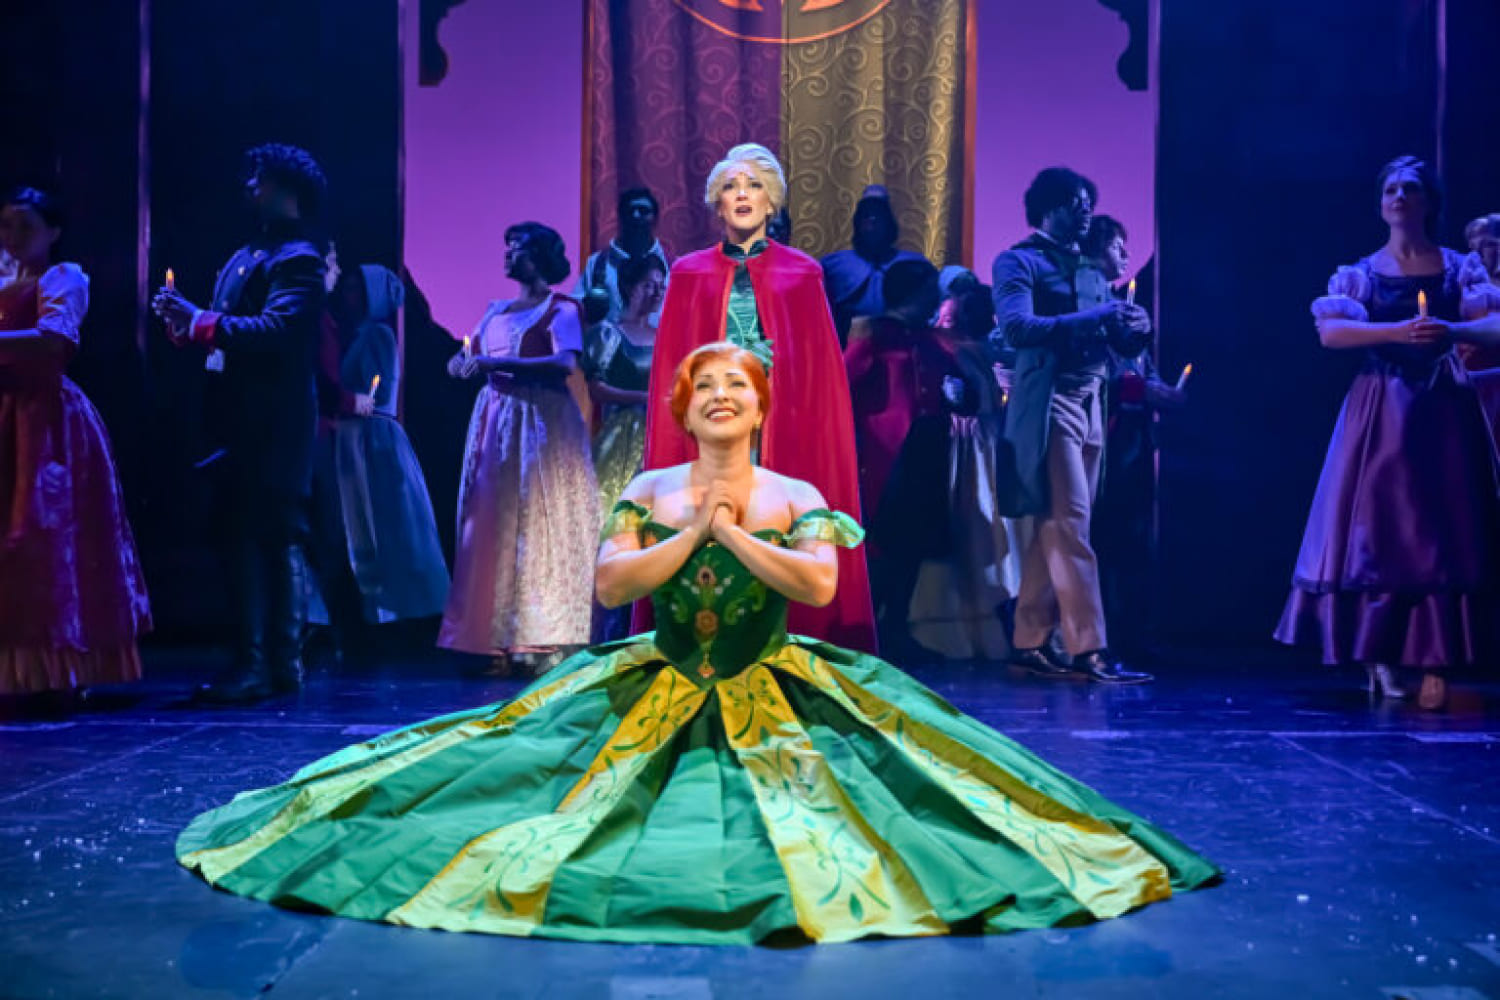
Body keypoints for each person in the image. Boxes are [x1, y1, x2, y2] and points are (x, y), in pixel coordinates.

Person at [177, 342, 1218, 945]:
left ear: (762, 404)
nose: (723, 396)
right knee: (517, 787)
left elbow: (816, 581)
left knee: (909, 802)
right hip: (660, 674)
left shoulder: (797, 493)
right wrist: (690, 530)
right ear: (684, 407)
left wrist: (734, 532)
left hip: (773, 680)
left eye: (740, 386)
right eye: (706, 387)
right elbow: (611, 583)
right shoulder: (646, 488)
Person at [1275, 156, 1500, 710]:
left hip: (1443, 404)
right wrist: (1397, 329)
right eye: (1392, 188)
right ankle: (1376, 654)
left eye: (1412, 188)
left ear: (1429, 202)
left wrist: (1454, 328)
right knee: (1377, 527)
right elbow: (1331, 333)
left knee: (1440, 526)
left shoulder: (1457, 267)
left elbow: (1494, 325)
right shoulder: (1362, 271)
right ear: (1381, 203)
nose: (1400, 195)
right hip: (1383, 405)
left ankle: (1430, 651)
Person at [642, 143, 874, 650]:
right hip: (710, 420)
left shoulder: (801, 274)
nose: (742, 194)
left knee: (769, 514)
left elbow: (817, 374)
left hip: (778, 422)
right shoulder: (690, 273)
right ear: (716, 204)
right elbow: (675, 367)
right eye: (730, 187)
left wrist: (778, 373)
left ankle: (784, 636)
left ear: (773, 203)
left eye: (754, 186)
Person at [153, 144, 327, 703]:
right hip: (237, 420)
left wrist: (203, 321)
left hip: (273, 424)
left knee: (274, 537)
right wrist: (188, 328)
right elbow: (229, 333)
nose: (249, 188)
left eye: (258, 180)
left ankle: (275, 663)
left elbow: (277, 331)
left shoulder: (299, 257)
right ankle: (259, 661)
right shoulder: (248, 254)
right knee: (242, 539)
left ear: (285, 187)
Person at [992, 168, 1154, 685]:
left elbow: (1111, 337)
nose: (1087, 211)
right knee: (1071, 523)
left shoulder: (1088, 266)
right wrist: (1095, 318)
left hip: (1091, 397)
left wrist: (1135, 331)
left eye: (1089, 202)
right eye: (1075, 203)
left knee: (1055, 527)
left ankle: (1028, 641)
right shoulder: (1019, 261)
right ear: (1048, 208)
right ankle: (1090, 649)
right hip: (1049, 398)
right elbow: (1018, 328)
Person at [0, 187, 151, 706]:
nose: (12, 235)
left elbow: (54, 342)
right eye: (6, 225)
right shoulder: (3, 276)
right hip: (5, 414)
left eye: (24, 225)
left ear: (53, 231)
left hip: (45, 424)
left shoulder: (62, 278)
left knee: (44, 542)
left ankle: (54, 670)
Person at [437, 222, 598, 672]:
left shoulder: (561, 309)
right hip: (497, 420)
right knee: (492, 521)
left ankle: (538, 633)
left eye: (519, 249)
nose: (508, 255)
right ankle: (489, 635)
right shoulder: (495, 310)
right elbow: (470, 352)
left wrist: (498, 362)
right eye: (506, 247)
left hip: (541, 420)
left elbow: (564, 362)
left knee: (539, 517)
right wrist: (463, 362)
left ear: (540, 256)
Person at [311, 262, 449, 647]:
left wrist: (351, 402)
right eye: (348, 287)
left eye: (358, 289)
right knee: (361, 524)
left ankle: (389, 618)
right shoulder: (356, 333)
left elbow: (373, 393)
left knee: (381, 524)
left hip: (370, 438)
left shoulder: (377, 335)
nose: (348, 295)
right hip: (354, 435)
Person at [844, 258, 970, 657]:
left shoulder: (932, 340)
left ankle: (895, 625)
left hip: (928, 446)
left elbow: (961, 387)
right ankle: (868, 630)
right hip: (884, 450)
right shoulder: (874, 334)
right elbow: (844, 383)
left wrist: (963, 395)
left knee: (914, 540)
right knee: (883, 538)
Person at [1081, 215, 1185, 661]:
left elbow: (1139, 368)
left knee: (1133, 539)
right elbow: (1091, 375)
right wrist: (1138, 389)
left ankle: (1132, 630)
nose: (1125, 254)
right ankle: (1096, 633)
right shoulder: (1084, 308)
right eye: (1118, 245)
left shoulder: (1129, 313)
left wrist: (1163, 392)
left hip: (1134, 444)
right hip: (1099, 441)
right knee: (1100, 535)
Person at [820, 184, 932, 345]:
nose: (872, 221)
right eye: (866, 215)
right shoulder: (833, 266)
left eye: (878, 215)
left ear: (889, 221)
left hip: (900, 349)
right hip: (847, 350)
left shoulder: (915, 266)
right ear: (857, 222)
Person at [574, 186, 670, 324]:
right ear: (620, 217)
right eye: (629, 211)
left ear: (655, 218)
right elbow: (576, 311)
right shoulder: (597, 264)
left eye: (643, 211)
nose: (636, 216)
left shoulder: (673, 266)